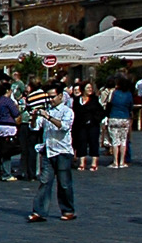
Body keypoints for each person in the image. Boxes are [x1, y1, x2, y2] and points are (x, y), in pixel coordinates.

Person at [27, 87, 76, 223]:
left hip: (62, 151)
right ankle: (39, 211)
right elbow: (35, 127)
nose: (50, 100)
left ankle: (68, 210)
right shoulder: (47, 110)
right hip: (48, 150)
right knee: (45, 182)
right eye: (48, 97)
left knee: (64, 183)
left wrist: (48, 117)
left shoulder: (67, 111)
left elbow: (64, 127)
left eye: (53, 96)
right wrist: (34, 117)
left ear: (60, 96)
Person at [72, 81, 106, 173]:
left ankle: (94, 163)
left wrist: (94, 120)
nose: (90, 90)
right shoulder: (76, 100)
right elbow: (74, 112)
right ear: (83, 89)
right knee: (81, 143)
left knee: (93, 142)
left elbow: (101, 112)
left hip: (92, 125)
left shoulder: (94, 100)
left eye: (91, 88)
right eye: (88, 88)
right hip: (80, 125)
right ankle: (82, 162)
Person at [105, 77, 136, 169]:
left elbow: (109, 103)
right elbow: (131, 106)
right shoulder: (129, 94)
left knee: (115, 141)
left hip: (114, 116)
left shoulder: (114, 93)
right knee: (123, 141)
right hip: (124, 118)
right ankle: (122, 161)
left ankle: (115, 162)